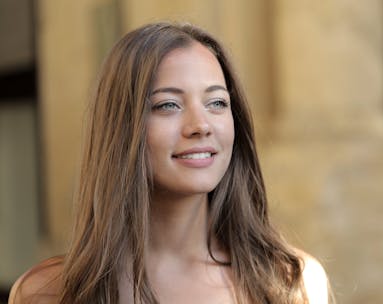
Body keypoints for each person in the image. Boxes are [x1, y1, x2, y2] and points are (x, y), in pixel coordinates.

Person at [9, 22, 331, 304]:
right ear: (122, 127)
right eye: (168, 105)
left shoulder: (291, 284)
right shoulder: (46, 293)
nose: (200, 125)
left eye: (217, 102)